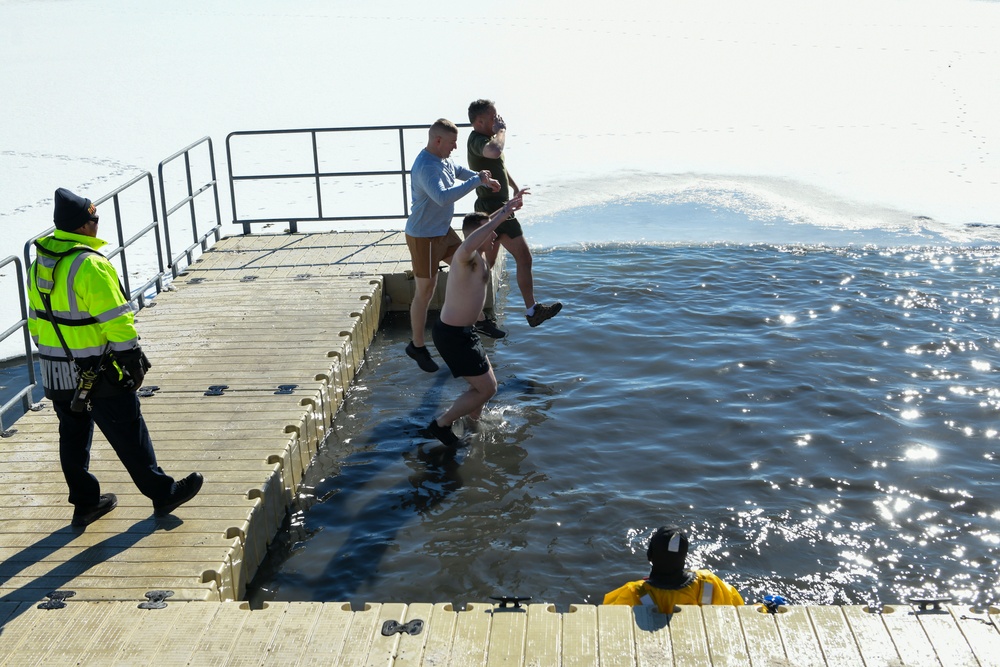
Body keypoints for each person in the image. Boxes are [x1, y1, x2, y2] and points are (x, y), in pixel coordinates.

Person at [27, 187, 204, 527]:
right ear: (82, 225)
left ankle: (85, 504)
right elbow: (116, 317)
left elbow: (37, 320)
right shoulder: (89, 264)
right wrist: (130, 355)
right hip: (97, 369)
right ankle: (164, 493)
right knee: (128, 431)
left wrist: (55, 356)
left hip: (56, 370)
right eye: (94, 219)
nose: (96, 226)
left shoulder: (41, 263)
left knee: (73, 435)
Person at [425, 193, 527, 447]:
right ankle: (441, 424)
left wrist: (506, 208)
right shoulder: (465, 256)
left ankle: (472, 423)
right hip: (452, 335)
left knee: (486, 385)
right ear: (474, 235)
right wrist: (503, 214)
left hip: (466, 333)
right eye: (489, 231)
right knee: (487, 389)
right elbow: (474, 236)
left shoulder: (479, 254)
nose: (495, 235)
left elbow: (480, 229)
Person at [404, 118, 504, 374]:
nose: (455, 147)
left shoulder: (443, 158)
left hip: (443, 232)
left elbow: (459, 170)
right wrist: (476, 182)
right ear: (438, 140)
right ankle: (417, 346)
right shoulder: (426, 166)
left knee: (471, 266)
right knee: (425, 291)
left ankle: (480, 321)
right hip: (423, 237)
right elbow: (441, 198)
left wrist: (481, 179)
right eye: (452, 142)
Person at [467, 99, 561, 329]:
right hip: (495, 210)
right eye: (493, 118)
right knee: (524, 258)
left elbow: (498, 163)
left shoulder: (486, 140)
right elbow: (496, 150)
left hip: (496, 208)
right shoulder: (478, 140)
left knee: (485, 266)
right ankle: (532, 311)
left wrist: (515, 186)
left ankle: (473, 315)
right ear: (479, 121)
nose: (498, 121)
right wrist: (502, 131)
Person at [603, 525, 744, 611]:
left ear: (649, 555)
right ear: (685, 556)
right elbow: (738, 606)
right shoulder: (708, 583)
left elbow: (609, 619)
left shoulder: (636, 593)